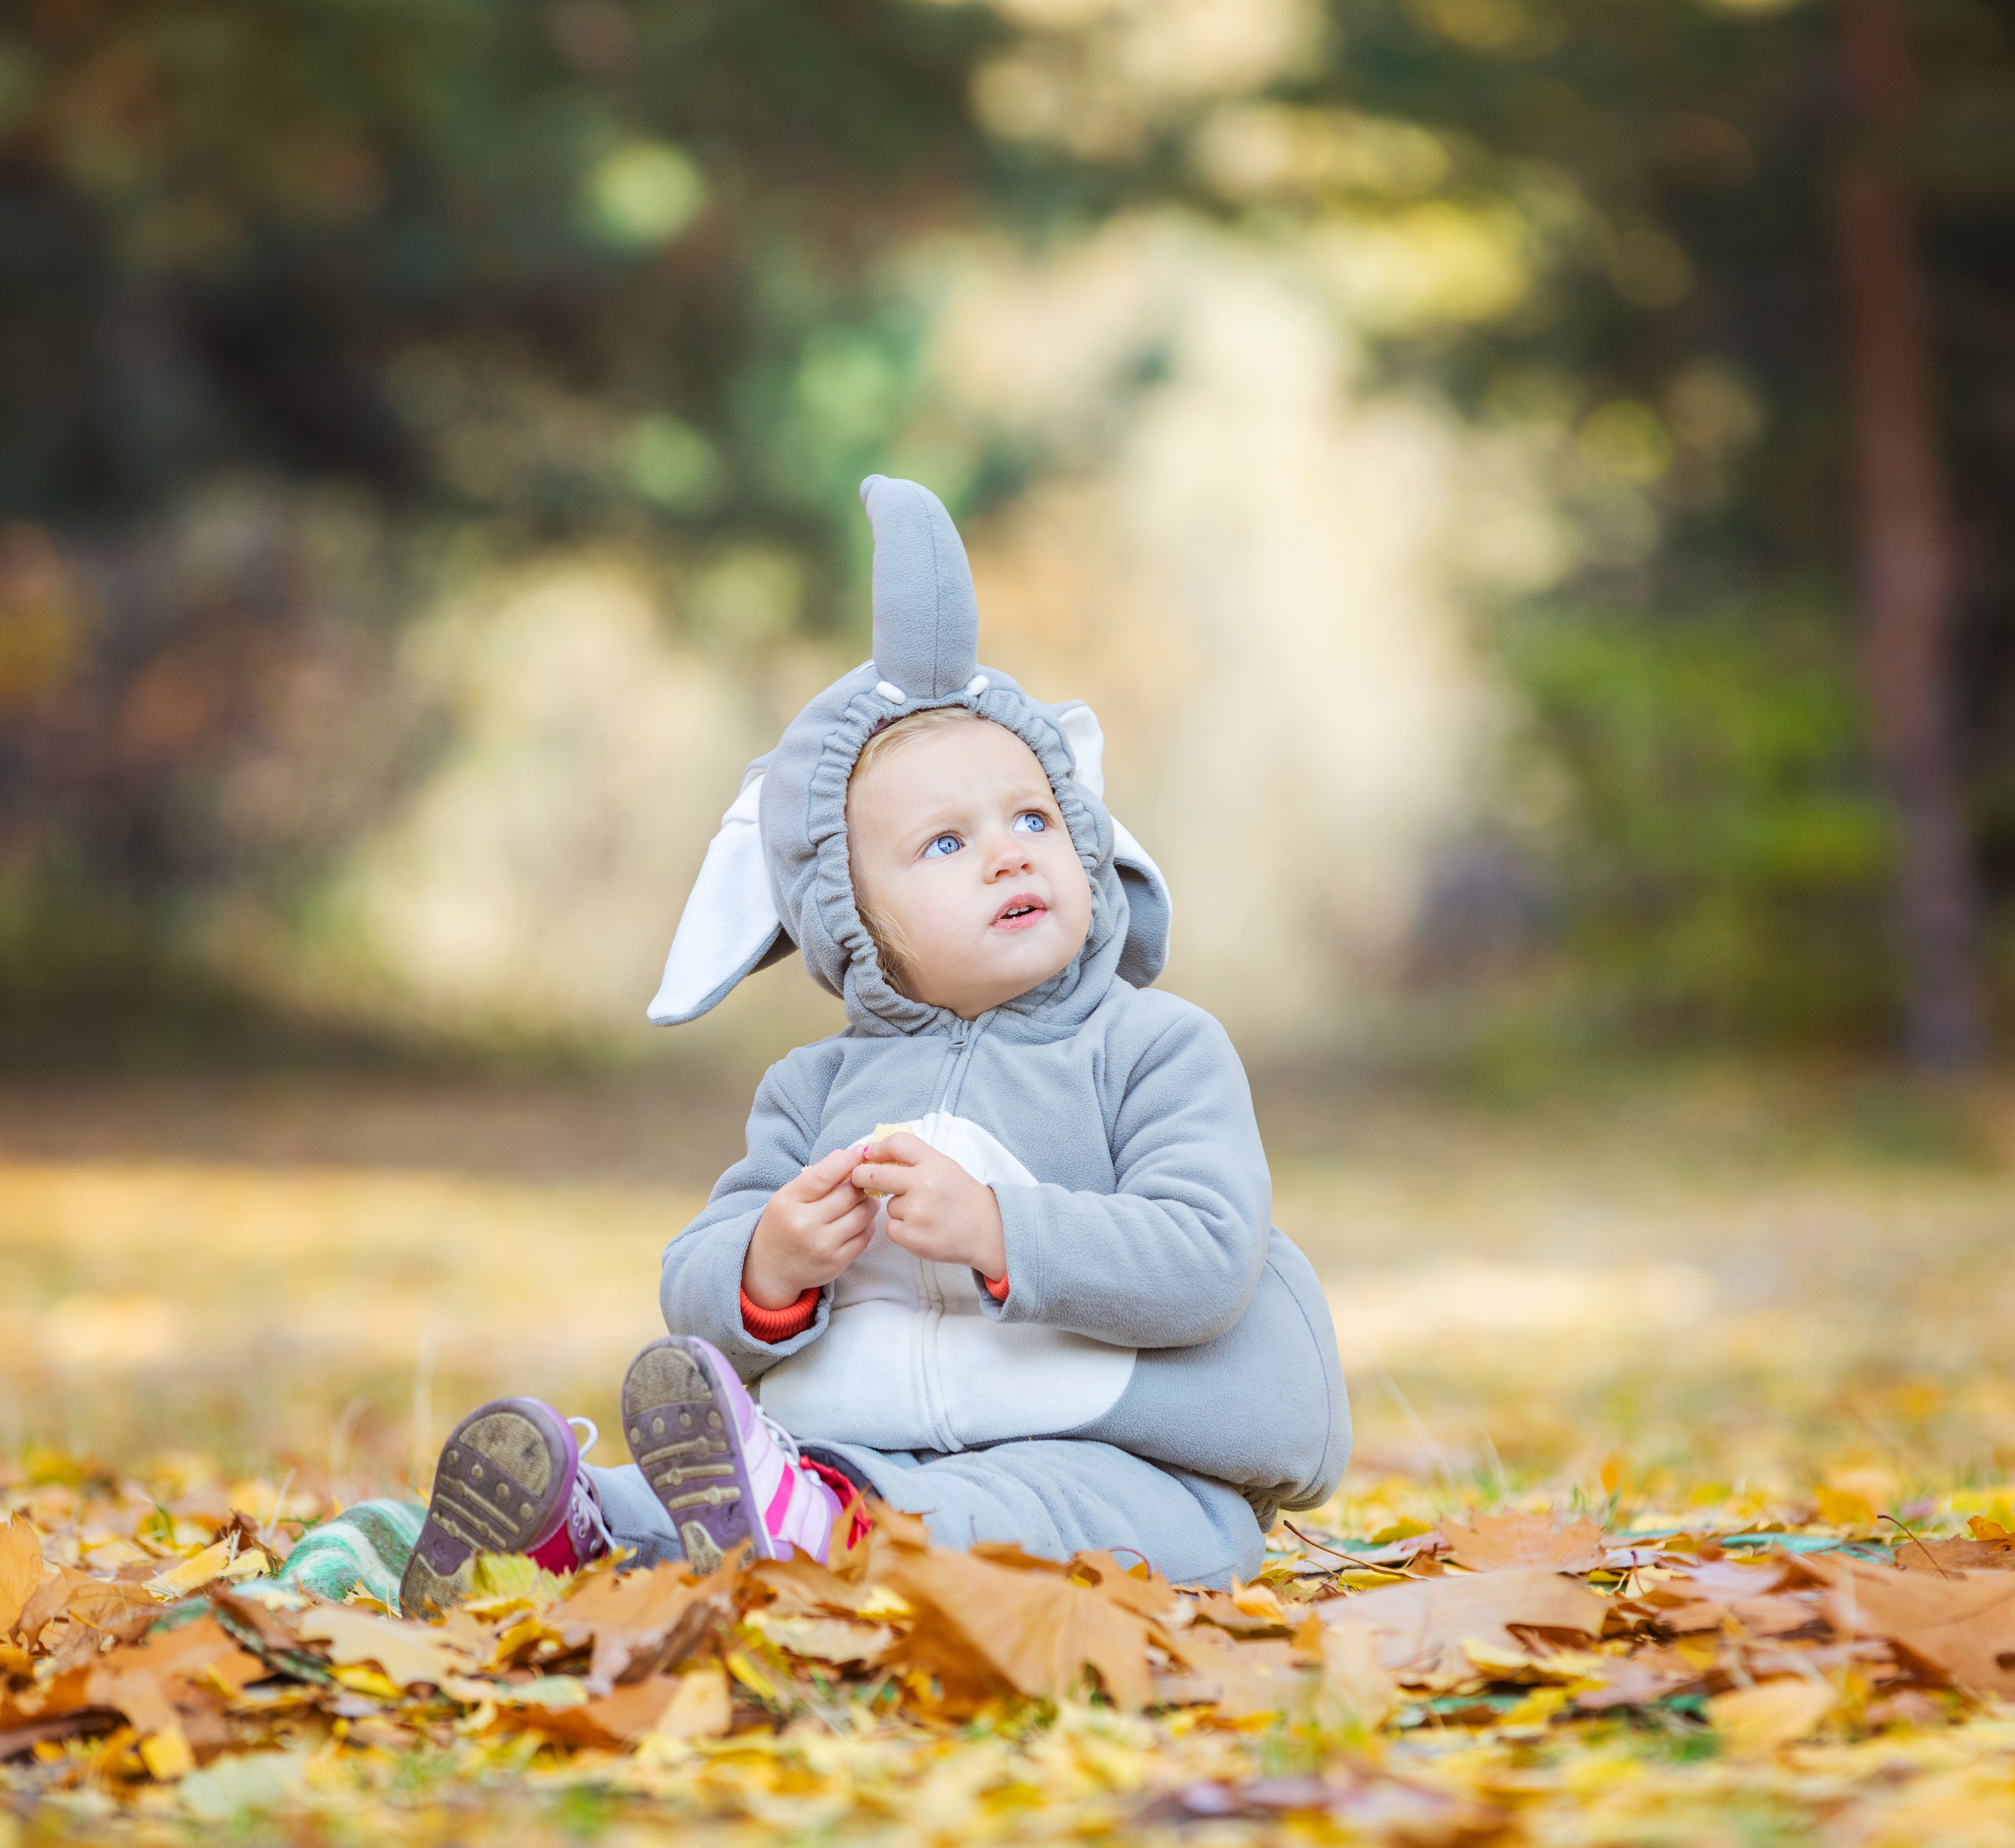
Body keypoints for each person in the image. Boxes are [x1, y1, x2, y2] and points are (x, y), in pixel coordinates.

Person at [397, 476, 1349, 1614]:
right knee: (799, 1473)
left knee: (1027, 1509)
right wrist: (770, 1264)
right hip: (867, 1442)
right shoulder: (816, 1089)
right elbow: (690, 1278)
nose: (1008, 853)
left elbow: (1207, 1261)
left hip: (1131, 1466)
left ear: (1088, 843)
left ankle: (816, 1529)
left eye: (1034, 819)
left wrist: (1004, 1232)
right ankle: (577, 1524)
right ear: (851, 916)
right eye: (947, 843)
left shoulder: (1155, 1048)